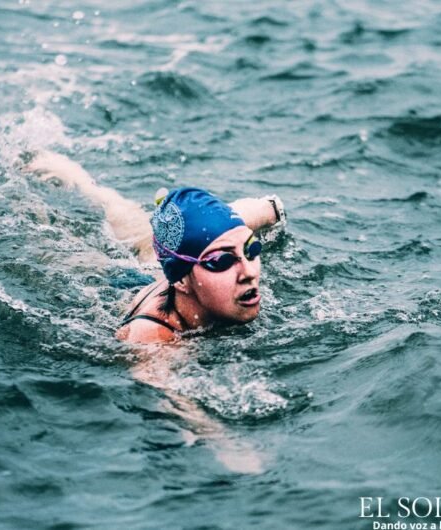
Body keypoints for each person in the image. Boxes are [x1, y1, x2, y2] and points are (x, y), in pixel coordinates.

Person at [25, 151, 285, 473]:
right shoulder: (153, 336)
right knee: (55, 246)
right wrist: (226, 445)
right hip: (115, 284)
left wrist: (272, 211)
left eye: (252, 250)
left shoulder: (217, 250)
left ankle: (84, 182)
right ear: (182, 280)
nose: (248, 271)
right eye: (221, 261)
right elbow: (163, 390)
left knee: (142, 225)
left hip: (168, 267)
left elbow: (241, 221)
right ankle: (53, 184)